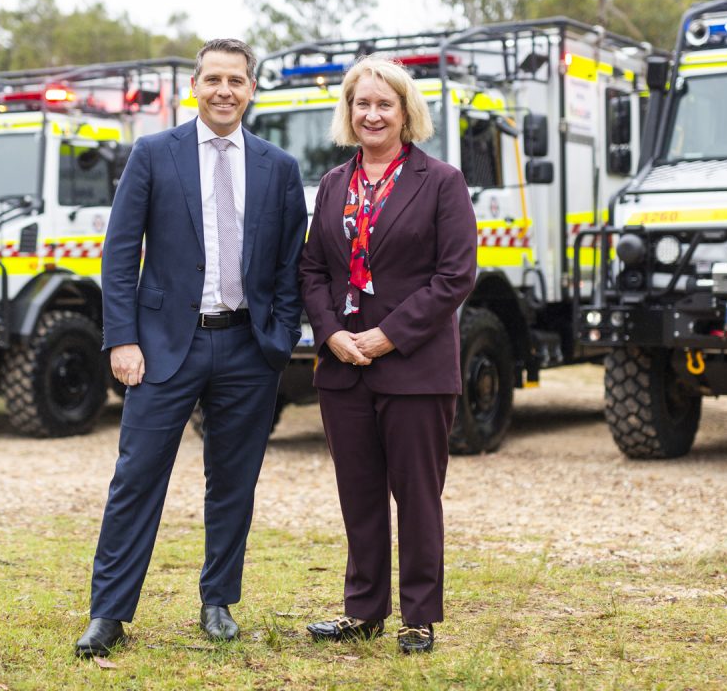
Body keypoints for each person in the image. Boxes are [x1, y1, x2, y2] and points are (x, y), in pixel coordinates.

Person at [75, 38, 307, 658]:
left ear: (251, 89)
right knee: (136, 477)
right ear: (195, 88)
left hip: (247, 351)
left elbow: (291, 266)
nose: (224, 90)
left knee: (233, 481)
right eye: (213, 80)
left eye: (236, 80)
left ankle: (217, 602)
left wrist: (279, 340)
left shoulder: (279, 168)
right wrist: (121, 339)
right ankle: (109, 613)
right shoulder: (154, 154)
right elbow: (119, 256)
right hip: (162, 350)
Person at [298, 55, 477, 654]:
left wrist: (388, 336)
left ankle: (418, 617)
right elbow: (313, 269)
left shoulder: (441, 181)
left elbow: (455, 277)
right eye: (361, 103)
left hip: (415, 366)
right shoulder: (331, 185)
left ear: (405, 113)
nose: (371, 114)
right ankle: (363, 611)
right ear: (348, 113)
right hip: (343, 368)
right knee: (360, 494)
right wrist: (331, 334)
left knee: (417, 496)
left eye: (384, 104)